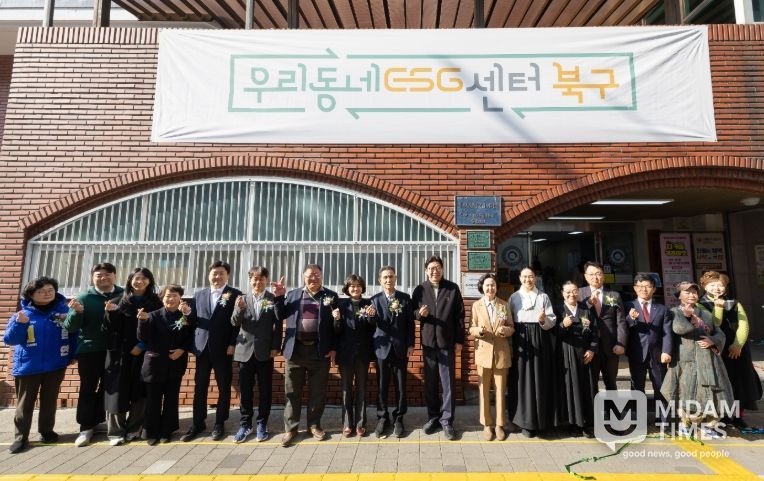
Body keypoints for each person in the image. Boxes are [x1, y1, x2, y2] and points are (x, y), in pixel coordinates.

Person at [4, 277, 77, 453]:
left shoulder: (64, 312)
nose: (47, 294)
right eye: (41, 291)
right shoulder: (23, 314)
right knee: (25, 404)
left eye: (50, 290)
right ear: (31, 294)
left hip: (55, 365)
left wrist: (73, 355)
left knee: (49, 401)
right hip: (28, 366)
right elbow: (10, 339)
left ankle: (47, 431)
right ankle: (21, 438)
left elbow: (74, 334)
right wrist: (20, 324)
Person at [661, 281, 733, 440]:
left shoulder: (706, 314)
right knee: (687, 392)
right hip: (686, 361)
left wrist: (712, 340)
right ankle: (685, 424)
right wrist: (687, 316)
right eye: (687, 292)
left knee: (715, 394)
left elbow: (720, 333)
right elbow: (680, 329)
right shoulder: (674, 312)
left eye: (694, 292)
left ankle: (709, 425)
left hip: (709, 360)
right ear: (679, 296)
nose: (692, 295)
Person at [63, 262, 124, 447]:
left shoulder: (123, 295)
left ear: (114, 276)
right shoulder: (84, 297)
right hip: (90, 350)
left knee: (110, 388)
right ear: (92, 277)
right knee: (88, 388)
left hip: (115, 350)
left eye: (107, 274)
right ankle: (86, 427)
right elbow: (70, 326)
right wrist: (77, 312)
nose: (103, 278)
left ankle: (105, 424)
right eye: (99, 275)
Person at [277, 264, 336, 447]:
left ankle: (314, 425)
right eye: (310, 275)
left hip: (319, 351)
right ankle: (291, 428)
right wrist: (279, 297)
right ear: (304, 277)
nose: (313, 278)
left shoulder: (331, 296)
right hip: (295, 350)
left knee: (317, 392)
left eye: (317, 274)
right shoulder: (293, 295)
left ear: (322, 276)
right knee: (292, 392)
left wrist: (333, 348)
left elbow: (336, 326)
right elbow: (279, 315)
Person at [183, 260, 242, 442]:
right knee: (200, 387)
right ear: (209, 275)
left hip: (223, 349)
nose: (217, 276)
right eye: (214, 273)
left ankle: (219, 423)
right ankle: (198, 423)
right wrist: (187, 313)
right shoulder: (199, 295)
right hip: (202, 348)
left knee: (223, 386)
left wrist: (233, 343)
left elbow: (237, 323)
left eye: (221, 273)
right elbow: (192, 321)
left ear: (227, 275)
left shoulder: (235, 294)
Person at [103, 267, 163, 445]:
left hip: (143, 353)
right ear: (130, 280)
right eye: (136, 278)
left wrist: (142, 345)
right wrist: (109, 314)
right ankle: (115, 432)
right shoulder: (118, 301)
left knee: (140, 391)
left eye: (144, 278)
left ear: (150, 281)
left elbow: (159, 328)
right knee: (117, 392)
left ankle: (134, 428)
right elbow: (107, 330)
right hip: (119, 354)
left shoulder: (156, 303)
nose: (140, 281)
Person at [699, 271, 762, 429]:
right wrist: (718, 307)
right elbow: (714, 324)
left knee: (740, 383)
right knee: (721, 384)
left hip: (737, 350)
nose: (716, 288)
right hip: (716, 349)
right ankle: (722, 416)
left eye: (720, 285)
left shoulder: (734, 303)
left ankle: (738, 417)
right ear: (704, 287)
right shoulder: (700, 304)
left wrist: (738, 345)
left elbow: (743, 325)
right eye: (712, 285)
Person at [412, 255, 465, 441]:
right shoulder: (420, 289)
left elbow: (460, 317)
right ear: (426, 271)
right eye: (431, 268)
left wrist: (459, 341)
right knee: (430, 383)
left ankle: (447, 420)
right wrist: (420, 314)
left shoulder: (452, 288)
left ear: (442, 269)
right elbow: (413, 312)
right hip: (428, 343)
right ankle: (433, 417)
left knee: (448, 384)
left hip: (447, 343)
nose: (434, 271)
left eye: (438, 268)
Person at [230, 266, 283, 443]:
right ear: (250, 280)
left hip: (265, 351)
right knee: (245, 390)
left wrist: (276, 346)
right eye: (255, 278)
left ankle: (262, 423)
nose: (258, 282)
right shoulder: (242, 298)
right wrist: (239, 309)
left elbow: (278, 324)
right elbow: (234, 322)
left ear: (266, 280)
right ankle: (245, 424)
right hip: (244, 351)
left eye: (261, 278)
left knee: (265, 390)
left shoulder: (272, 298)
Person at [138, 284, 195, 445]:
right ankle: (151, 432)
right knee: (153, 400)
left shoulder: (185, 316)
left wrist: (182, 349)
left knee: (171, 398)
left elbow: (191, 335)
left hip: (175, 362)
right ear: (162, 298)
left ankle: (166, 431)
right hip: (155, 363)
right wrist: (143, 321)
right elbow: (142, 337)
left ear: (180, 298)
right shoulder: (152, 315)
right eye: (168, 296)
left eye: (175, 296)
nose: (171, 299)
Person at [508, 266, 558, 438]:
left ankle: (541, 421)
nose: (527, 280)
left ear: (535, 278)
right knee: (521, 379)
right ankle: (524, 422)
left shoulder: (543, 297)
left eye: (530, 276)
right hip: (520, 340)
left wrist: (543, 320)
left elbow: (552, 321)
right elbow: (509, 322)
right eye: (524, 277)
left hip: (539, 340)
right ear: (520, 278)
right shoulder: (514, 297)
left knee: (539, 378)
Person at [370, 266, 414, 439]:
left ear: (396, 278)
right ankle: (382, 417)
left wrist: (410, 344)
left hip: (400, 349)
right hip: (381, 349)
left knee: (400, 386)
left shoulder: (405, 298)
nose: (388, 280)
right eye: (385, 277)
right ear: (380, 280)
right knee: (382, 386)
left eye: (391, 277)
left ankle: (399, 418)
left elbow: (410, 324)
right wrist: (371, 316)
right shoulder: (374, 300)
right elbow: (372, 324)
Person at [468, 273, 514, 441]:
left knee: (500, 391)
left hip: (501, 353)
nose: (490, 288)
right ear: (482, 287)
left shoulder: (504, 304)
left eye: (493, 285)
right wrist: (478, 331)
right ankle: (487, 424)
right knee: (484, 391)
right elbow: (471, 328)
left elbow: (511, 326)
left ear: (496, 287)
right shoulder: (476, 305)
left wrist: (506, 330)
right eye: (487, 285)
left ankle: (500, 424)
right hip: (483, 353)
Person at [332, 275, 377, 438]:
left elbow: (373, 328)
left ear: (362, 287)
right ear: (347, 288)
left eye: (358, 285)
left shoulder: (369, 304)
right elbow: (336, 331)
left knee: (361, 388)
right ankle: (347, 424)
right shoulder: (341, 305)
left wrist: (372, 316)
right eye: (352, 286)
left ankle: (360, 424)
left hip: (363, 353)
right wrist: (336, 319)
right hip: (345, 353)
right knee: (346, 389)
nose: (355, 288)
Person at [554, 281, 598, 438]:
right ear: (562, 293)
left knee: (588, 387)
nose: (571, 294)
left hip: (586, 354)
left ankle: (588, 423)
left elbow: (594, 332)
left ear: (578, 292)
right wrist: (562, 325)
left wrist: (592, 349)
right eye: (568, 292)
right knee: (571, 388)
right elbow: (552, 333)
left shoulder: (586, 309)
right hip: (567, 353)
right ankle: (573, 423)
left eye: (574, 291)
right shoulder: (558, 309)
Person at [625, 274, 672, 415]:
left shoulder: (662, 309)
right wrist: (630, 318)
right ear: (635, 288)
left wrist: (666, 351)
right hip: (636, 353)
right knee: (637, 388)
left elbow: (667, 332)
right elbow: (621, 328)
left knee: (661, 387)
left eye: (648, 286)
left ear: (654, 289)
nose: (644, 289)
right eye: (640, 286)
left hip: (657, 354)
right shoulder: (628, 306)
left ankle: (663, 420)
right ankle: (638, 419)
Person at [578, 261, 627, 390]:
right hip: (588, 346)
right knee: (590, 383)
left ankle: (612, 404)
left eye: (598, 273)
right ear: (585, 276)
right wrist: (589, 303)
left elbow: (621, 321)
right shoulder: (578, 293)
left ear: (603, 275)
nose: (595, 277)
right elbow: (577, 315)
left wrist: (621, 343)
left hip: (610, 346)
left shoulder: (614, 295)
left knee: (611, 383)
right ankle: (593, 404)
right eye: (591, 274)